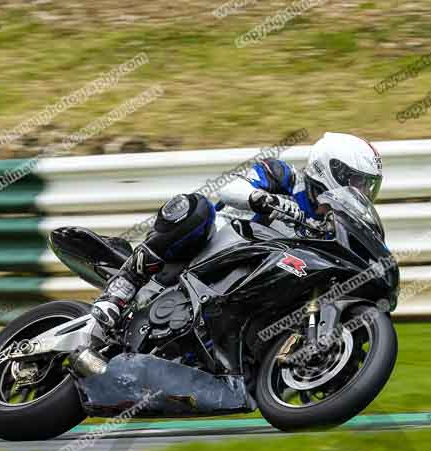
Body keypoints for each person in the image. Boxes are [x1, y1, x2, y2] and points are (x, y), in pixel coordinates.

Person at [89, 132, 384, 333]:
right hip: (215, 246)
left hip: (244, 284)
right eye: (356, 181)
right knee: (198, 208)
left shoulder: (330, 226)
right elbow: (229, 186)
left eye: (366, 186)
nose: (361, 191)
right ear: (331, 169)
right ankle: (125, 284)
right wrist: (264, 199)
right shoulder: (284, 176)